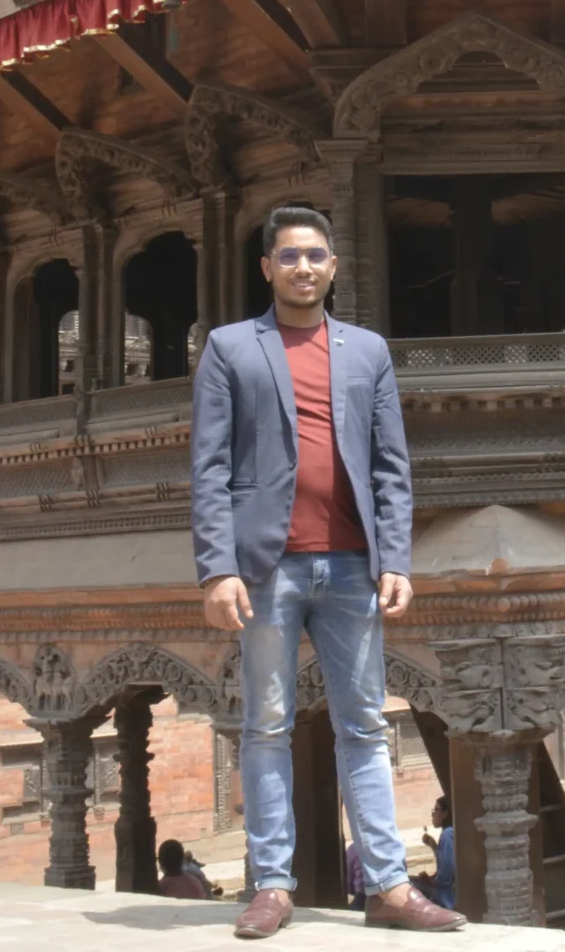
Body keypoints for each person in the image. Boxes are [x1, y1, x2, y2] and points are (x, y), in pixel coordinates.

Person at [193, 206, 465, 938]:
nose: (303, 266)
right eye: (289, 256)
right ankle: (272, 885)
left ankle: (387, 883)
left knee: (366, 726)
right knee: (267, 725)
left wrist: (397, 556)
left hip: (352, 564)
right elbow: (210, 465)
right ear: (267, 267)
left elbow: (390, 462)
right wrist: (217, 568)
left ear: (333, 265)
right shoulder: (229, 348)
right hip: (264, 567)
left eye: (316, 254)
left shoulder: (366, 350)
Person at [418, 797, 457, 912]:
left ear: (445, 813)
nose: (433, 814)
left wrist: (430, 882)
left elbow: (446, 875)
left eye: (436, 810)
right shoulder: (448, 833)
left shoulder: (447, 834)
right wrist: (433, 845)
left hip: (446, 896)